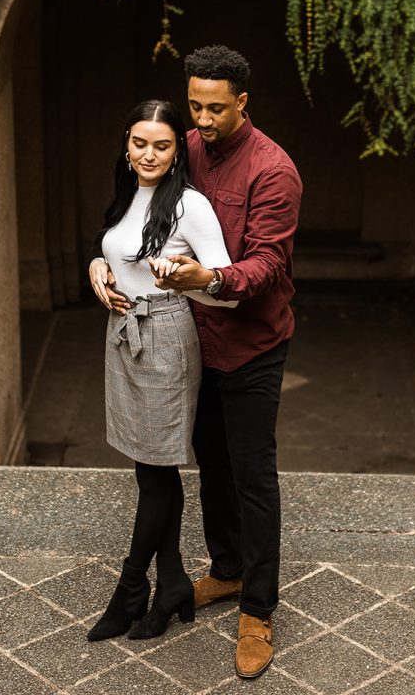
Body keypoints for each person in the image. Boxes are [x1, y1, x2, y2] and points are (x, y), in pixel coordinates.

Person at [92, 46, 302, 680]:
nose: (202, 120)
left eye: (216, 108)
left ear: (244, 102)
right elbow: (131, 223)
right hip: (185, 342)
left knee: (252, 475)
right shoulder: (179, 144)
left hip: (250, 343)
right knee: (209, 461)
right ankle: (228, 569)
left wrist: (208, 277)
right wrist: (102, 265)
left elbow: (268, 266)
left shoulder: (274, 171)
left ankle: (259, 610)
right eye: (195, 105)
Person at [86, 99, 234, 644]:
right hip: (124, 339)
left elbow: (224, 290)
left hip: (166, 338)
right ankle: (170, 582)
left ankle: (129, 591)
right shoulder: (129, 193)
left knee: (156, 470)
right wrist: (97, 266)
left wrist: (189, 280)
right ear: (127, 144)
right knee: (150, 470)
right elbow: (116, 249)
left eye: (162, 145)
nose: (149, 154)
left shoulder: (189, 205)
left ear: (178, 152)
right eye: (140, 142)